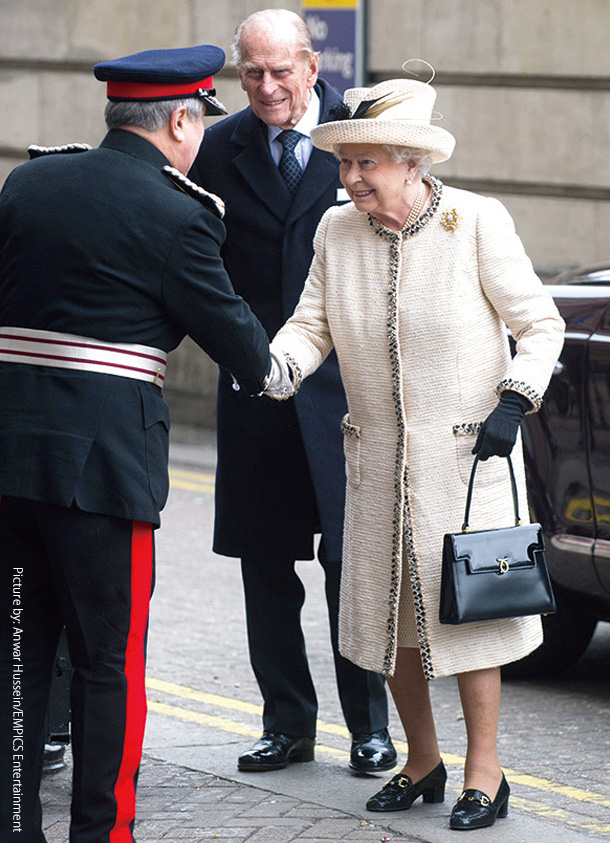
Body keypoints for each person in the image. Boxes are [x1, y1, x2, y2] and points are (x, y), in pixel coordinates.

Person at [266, 70, 565, 830]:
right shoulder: (336, 230)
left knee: (472, 622)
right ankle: (422, 760)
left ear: (411, 163)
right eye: (345, 162)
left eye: (367, 163)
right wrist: (273, 365)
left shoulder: (476, 220)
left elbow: (541, 325)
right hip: (374, 462)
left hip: (469, 463)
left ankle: (485, 773)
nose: (351, 178)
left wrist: (515, 397)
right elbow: (310, 325)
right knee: (388, 617)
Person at [0, 45, 272, 843]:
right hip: (104, 476)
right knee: (106, 665)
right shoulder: (179, 214)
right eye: (199, 125)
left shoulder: (29, 182)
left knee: (16, 658)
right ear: (181, 120)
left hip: (12, 463)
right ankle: (101, 833)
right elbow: (248, 355)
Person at [190, 8, 396, 774]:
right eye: (252, 72)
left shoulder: (365, 134)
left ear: (313, 66)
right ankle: (287, 723)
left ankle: (370, 727)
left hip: (350, 396)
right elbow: (194, 262)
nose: (267, 87)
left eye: (281, 71)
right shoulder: (216, 148)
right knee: (267, 570)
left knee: (354, 568)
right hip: (257, 392)